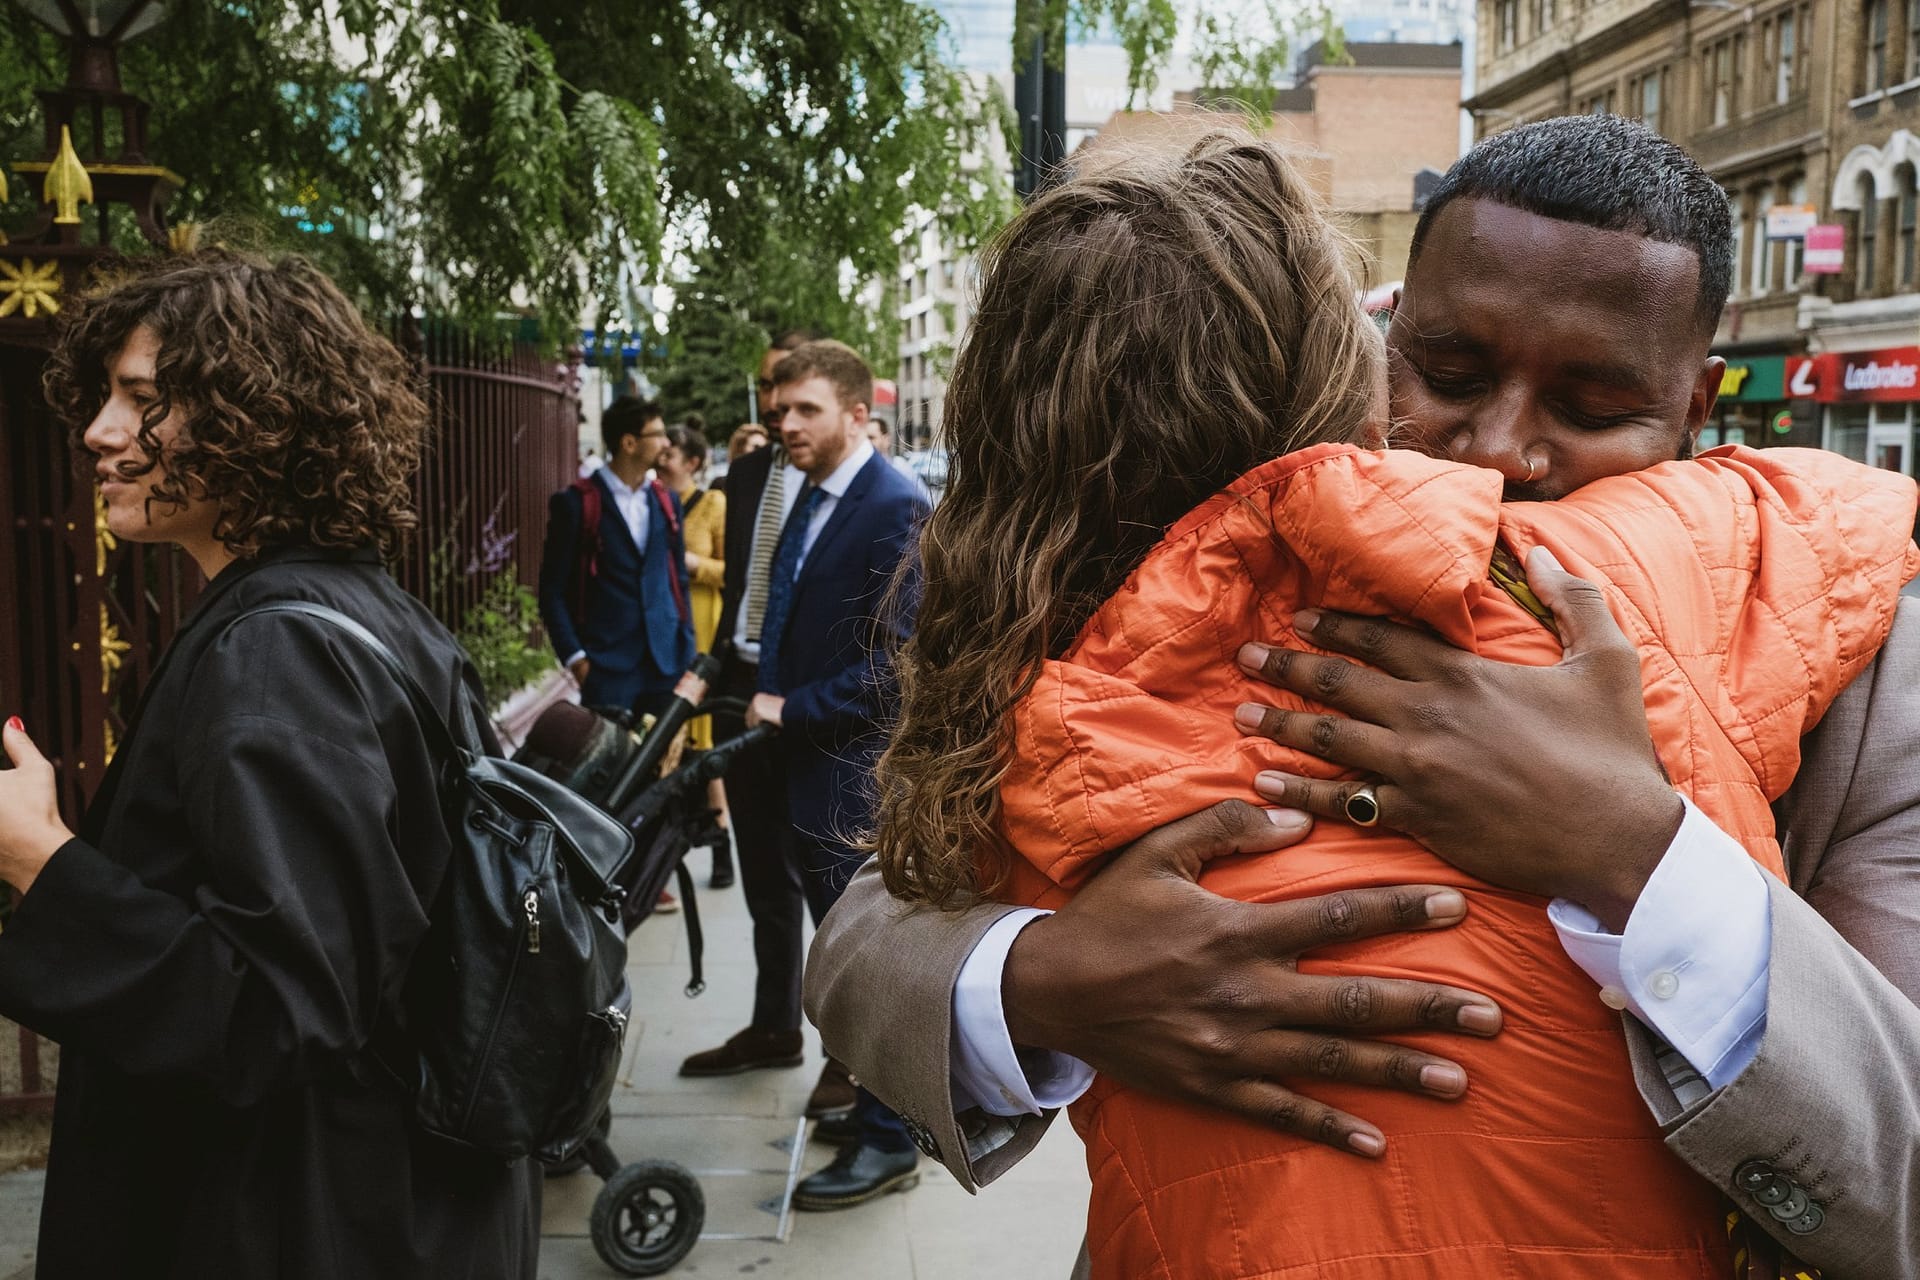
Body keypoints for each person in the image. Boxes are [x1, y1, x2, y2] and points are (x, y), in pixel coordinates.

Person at [807, 114, 1920, 1278]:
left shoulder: (1858, 641)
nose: (1500, 448)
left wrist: (1638, 852)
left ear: (1697, 404)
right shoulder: (1258, 549)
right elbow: (871, 931)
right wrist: (1046, 978)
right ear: (1381, 347)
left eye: (1591, 410)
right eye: (1449, 375)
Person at [0, 250, 539, 1277]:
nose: (101, 432)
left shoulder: (279, 647)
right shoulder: (360, 606)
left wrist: (43, 860)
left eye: (143, 399)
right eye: (105, 397)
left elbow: (280, 1009)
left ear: (260, 420)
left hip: (303, 1218)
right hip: (381, 1202)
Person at [745, 339, 931, 1210]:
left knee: (866, 968)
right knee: (843, 955)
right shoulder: (815, 495)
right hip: (805, 771)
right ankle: (870, 1109)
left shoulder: (894, 505)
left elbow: (901, 663)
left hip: (850, 776)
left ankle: (892, 1140)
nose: (785, 422)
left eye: (805, 409)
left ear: (859, 414)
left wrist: (792, 708)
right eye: (780, 409)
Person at [680, 330, 828, 1094]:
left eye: (791, 388)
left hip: (808, 702)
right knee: (764, 874)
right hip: (741, 683)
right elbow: (740, 586)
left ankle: (851, 1058)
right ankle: (775, 1026)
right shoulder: (742, 474)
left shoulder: (839, 479)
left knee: (829, 877)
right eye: (771, 387)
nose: (775, 404)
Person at [536, 397, 695, 721]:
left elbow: (677, 578)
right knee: (610, 770)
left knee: (666, 767)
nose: (666, 443)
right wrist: (576, 659)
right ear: (629, 443)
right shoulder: (576, 505)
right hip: (606, 668)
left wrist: (686, 643)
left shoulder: (666, 503)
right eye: (658, 434)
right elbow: (551, 591)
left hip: (666, 663)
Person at [659, 424, 734, 888]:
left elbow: (733, 573)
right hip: (665, 632)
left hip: (703, 631)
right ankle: (661, 858)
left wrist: (694, 565)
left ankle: (721, 842)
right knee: (666, 743)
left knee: (703, 743)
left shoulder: (713, 504)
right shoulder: (652, 502)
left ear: (691, 461)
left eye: (670, 452)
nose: (660, 458)